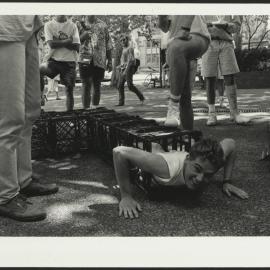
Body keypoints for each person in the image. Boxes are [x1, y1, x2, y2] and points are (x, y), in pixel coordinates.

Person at [0, 15, 59, 222]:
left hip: (30, 29)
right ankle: (5, 195)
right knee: (9, 117)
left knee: (31, 110)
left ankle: (23, 179)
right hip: (6, 28)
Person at [113, 137, 249, 219]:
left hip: (168, 153)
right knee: (153, 147)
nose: (200, 179)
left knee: (159, 148)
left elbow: (231, 143)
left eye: (208, 175)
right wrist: (126, 196)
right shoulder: (166, 169)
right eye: (197, 169)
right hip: (160, 157)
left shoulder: (213, 162)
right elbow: (119, 152)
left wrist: (227, 182)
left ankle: (160, 148)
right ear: (188, 159)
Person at [158, 15, 210, 130]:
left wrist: (185, 29)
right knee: (184, 98)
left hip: (196, 36)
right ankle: (188, 136)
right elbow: (165, 27)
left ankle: (172, 106)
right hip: (178, 49)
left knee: (175, 47)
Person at [202, 15, 250, 126]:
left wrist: (225, 25)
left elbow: (237, 27)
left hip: (227, 42)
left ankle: (234, 113)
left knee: (230, 76)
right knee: (209, 78)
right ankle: (212, 114)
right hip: (208, 43)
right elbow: (198, 25)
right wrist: (206, 26)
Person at [40, 15, 80, 111]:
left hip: (69, 62)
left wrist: (57, 41)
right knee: (39, 70)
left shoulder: (72, 25)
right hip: (53, 61)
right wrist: (68, 41)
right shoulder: (49, 25)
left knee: (69, 91)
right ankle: (40, 96)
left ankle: (70, 114)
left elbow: (76, 46)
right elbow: (51, 44)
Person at [78, 15, 113, 109]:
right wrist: (83, 36)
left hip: (100, 59)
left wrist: (110, 61)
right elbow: (74, 43)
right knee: (86, 84)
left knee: (97, 85)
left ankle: (95, 112)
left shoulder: (103, 25)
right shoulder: (79, 25)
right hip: (84, 58)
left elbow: (108, 44)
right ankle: (86, 111)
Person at [116, 34, 145, 106]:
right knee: (120, 85)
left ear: (127, 40)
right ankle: (121, 102)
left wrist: (126, 70)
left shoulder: (130, 48)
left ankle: (141, 97)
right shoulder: (124, 48)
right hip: (123, 68)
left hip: (129, 68)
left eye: (124, 40)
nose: (122, 41)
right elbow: (124, 60)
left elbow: (131, 60)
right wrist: (120, 66)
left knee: (130, 86)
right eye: (121, 40)